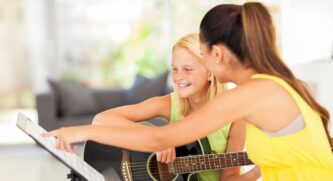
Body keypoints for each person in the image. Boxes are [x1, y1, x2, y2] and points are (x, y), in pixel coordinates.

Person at [44, 2, 333, 180]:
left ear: (217, 55)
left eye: (202, 55)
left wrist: (81, 131)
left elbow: (160, 137)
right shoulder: (271, 86)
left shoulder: (250, 93)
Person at [47, 33, 259, 180]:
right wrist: (156, 139)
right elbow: (102, 119)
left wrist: (258, 171)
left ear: (211, 71)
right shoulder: (171, 103)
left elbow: (230, 178)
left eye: (187, 69)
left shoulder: (234, 112)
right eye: (174, 69)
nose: (179, 77)